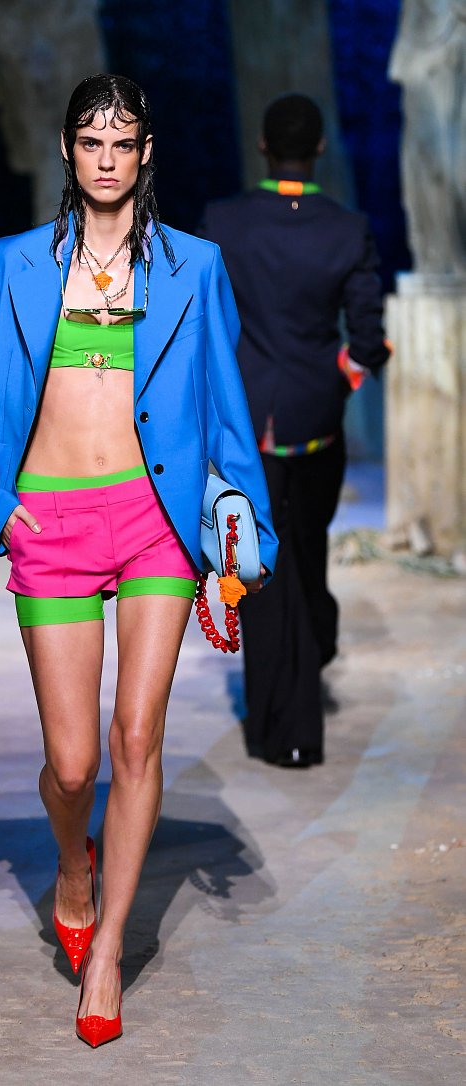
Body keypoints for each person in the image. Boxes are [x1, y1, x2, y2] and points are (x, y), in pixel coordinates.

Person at [0, 74, 277, 1048]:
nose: (107, 159)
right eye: (91, 142)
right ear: (67, 149)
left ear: (146, 152)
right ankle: (73, 867)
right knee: (73, 763)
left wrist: (247, 530)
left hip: (154, 521)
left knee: (136, 738)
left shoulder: (194, 267)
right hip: (50, 523)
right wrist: (1, 510)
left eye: (123, 143)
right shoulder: (12, 264)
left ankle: (110, 949)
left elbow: (222, 409)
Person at [203, 93, 391, 769]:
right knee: (307, 555)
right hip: (315, 422)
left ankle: (270, 724)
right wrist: (344, 375)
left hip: (246, 422)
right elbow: (367, 338)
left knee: (256, 567)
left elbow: (200, 321)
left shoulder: (222, 223)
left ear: (262, 146)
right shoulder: (348, 229)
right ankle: (302, 710)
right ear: (317, 150)